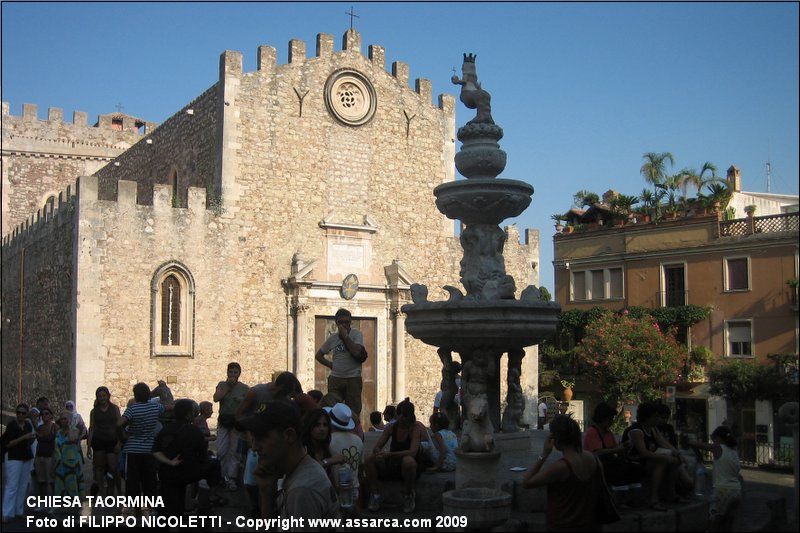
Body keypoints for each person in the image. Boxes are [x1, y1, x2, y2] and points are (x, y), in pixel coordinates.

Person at [238, 399, 340, 521]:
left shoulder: (302, 490)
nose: (254, 447)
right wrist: (266, 493)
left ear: (289, 435)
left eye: (261, 437)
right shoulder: (296, 473)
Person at [236, 371, 303, 516]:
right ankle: (256, 508)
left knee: (271, 478)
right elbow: (240, 414)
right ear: (282, 386)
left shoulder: (283, 399)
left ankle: (269, 510)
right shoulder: (256, 392)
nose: (288, 395)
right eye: (287, 391)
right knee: (251, 480)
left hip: (272, 445)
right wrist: (251, 436)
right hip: (255, 441)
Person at [523, 414, 603, 531]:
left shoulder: (561, 467)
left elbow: (526, 482)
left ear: (555, 438)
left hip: (563, 524)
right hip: (589, 525)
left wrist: (544, 455)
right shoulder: (593, 459)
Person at [153, 399, 221, 518]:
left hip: (167, 473)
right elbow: (202, 456)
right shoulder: (194, 431)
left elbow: (155, 451)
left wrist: (169, 462)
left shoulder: (165, 429)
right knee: (214, 463)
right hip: (187, 472)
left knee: (173, 511)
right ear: (188, 414)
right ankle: (210, 498)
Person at [364, 398, 425, 513]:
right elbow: (378, 446)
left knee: (409, 461)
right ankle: (375, 494)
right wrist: (378, 453)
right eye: (399, 414)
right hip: (393, 463)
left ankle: (408, 495)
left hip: (406, 465)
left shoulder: (415, 428)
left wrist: (390, 454)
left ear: (410, 416)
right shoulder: (392, 427)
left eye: (404, 415)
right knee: (369, 460)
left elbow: (412, 452)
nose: (401, 417)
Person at [621, 401, 683, 510]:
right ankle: (653, 499)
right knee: (662, 462)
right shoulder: (636, 430)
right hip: (635, 462)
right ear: (647, 417)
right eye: (655, 416)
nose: (658, 419)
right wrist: (665, 457)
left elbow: (663, 442)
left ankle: (671, 493)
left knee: (674, 461)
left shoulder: (652, 429)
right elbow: (643, 452)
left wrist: (676, 453)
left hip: (647, 460)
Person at [315, 308, 367, 419]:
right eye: (340, 322)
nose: (344, 324)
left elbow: (356, 351)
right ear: (336, 323)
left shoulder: (356, 334)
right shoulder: (332, 338)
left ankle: (354, 433)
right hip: (336, 379)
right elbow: (318, 355)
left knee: (353, 410)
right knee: (333, 408)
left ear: (350, 322)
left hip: (353, 378)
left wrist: (345, 337)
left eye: (346, 322)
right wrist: (331, 365)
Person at [118, 382, 164, 504]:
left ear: (135, 395)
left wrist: (124, 435)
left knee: (132, 481)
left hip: (133, 449)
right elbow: (168, 406)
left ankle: (133, 507)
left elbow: (119, 424)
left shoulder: (132, 409)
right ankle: (151, 506)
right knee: (149, 480)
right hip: (149, 449)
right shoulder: (156, 407)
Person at [691, 426, 742, 531]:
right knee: (729, 523)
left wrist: (691, 443)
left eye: (713, 439)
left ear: (718, 438)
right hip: (736, 490)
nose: (712, 442)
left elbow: (695, 444)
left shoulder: (718, 448)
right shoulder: (734, 450)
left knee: (714, 520)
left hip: (722, 490)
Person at [213, 361, 249, 491]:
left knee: (234, 451)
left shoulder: (245, 388)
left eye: (235, 372)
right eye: (231, 372)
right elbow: (216, 398)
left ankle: (231, 478)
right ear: (227, 373)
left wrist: (242, 401)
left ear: (239, 373)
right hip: (223, 421)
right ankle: (221, 476)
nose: (233, 374)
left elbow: (249, 404)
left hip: (236, 422)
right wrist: (228, 387)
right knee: (221, 450)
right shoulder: (222, 385)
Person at [584, 402, 634, 487]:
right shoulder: (592, 432)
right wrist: (617, 449)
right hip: (596, 466)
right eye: (610, 419)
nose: (611, 421)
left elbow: (614, 447)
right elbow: (597, 453)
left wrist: (623, 446)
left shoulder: (608, 433)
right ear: (602, 418)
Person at [1, 403, 36, 523]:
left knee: (22, 485)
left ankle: (18, 511)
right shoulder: (12, 425)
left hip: (25, 456)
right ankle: (6, 513)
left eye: (23, 413)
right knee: (12, 485)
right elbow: (8, 443)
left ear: (26, 414)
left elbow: (31, 439)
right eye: (18, 413)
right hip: (13, 456)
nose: (20, 415)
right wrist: (24, 437)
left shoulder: (27, 425)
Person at [326, 403, 364, 509]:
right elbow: (361, 467)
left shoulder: (328, 440)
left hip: (334, 491)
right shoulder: (358, 440)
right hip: (354, 489)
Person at [87, 386, 121, 497]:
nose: (102, 398)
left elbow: (119, 425)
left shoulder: (114, 408)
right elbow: (91, 428)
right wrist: (88, 446)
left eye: (104, 396)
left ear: (108, 396)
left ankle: (111, 492)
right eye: (100, 396)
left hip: (112, 441)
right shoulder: (94, 411)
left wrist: (119, 442)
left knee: (113, 467)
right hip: (98, 441)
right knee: (99, 468)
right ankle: (101, 493)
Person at [53, 411, 84, 498]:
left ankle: (73, 508)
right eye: (62, 419)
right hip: (60, 463)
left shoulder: (75, 430)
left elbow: (72, 438)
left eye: (65, 419)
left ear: (70, 420)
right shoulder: (58, 432)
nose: (63, 421)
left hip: (72, 463)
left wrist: (70, 426)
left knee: (72, 485)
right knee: (60, 487)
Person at [34, 407, 57, 510]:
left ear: (51, 415)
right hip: (40, 455)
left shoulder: (54, 427)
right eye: (42, 414)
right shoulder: (40, 427)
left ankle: (53, 503)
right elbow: (37, 443)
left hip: (50, 456)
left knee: (51, 481)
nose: (44, 416)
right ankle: (43, 503)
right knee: (41, 481)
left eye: (47, 414)